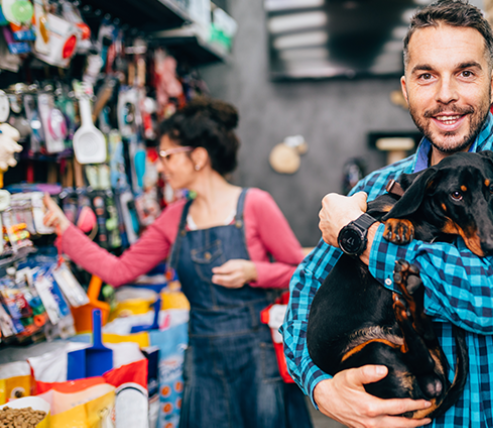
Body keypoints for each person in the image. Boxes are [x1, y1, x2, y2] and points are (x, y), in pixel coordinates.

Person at [283, 0, 493, 428]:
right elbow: (304, 288)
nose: (446, 94)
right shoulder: (375, 188)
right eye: (427, 76)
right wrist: (319, 387)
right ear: (407, 89)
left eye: (465, 73)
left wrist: (359, 235)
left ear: (492, 84)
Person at [43, 97, 313, 428]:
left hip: (258, 355)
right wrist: (61, 229)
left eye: (168, 156)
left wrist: (255, 271)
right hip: (202, 357)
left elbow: (301, 271)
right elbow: (118, 271)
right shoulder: (175, 218)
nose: (160, 166)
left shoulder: (255, 204)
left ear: (198, 157)